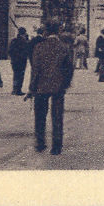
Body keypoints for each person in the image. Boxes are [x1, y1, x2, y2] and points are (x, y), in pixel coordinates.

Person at [27, 20, 74, 155]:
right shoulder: (64, 47)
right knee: (57, 116)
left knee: (40, 116)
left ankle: (40, 143)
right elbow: (69, 69)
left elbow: (35, 70)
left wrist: (31, 88)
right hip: (58, 87)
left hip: (41, 86)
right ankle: (56, 146)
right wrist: (65, 83)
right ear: (58, 31)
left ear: (46, 32)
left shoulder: (39, 47)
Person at [8, 27, 31, 95]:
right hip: (22, 61)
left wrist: (13, 57)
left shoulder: (14, 40)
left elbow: (10, 51)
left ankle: (14, 89)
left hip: (14, 61)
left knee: (15, 75)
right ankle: (18, 90)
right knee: (20, 75)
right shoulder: (24, 41)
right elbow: (27, 49)